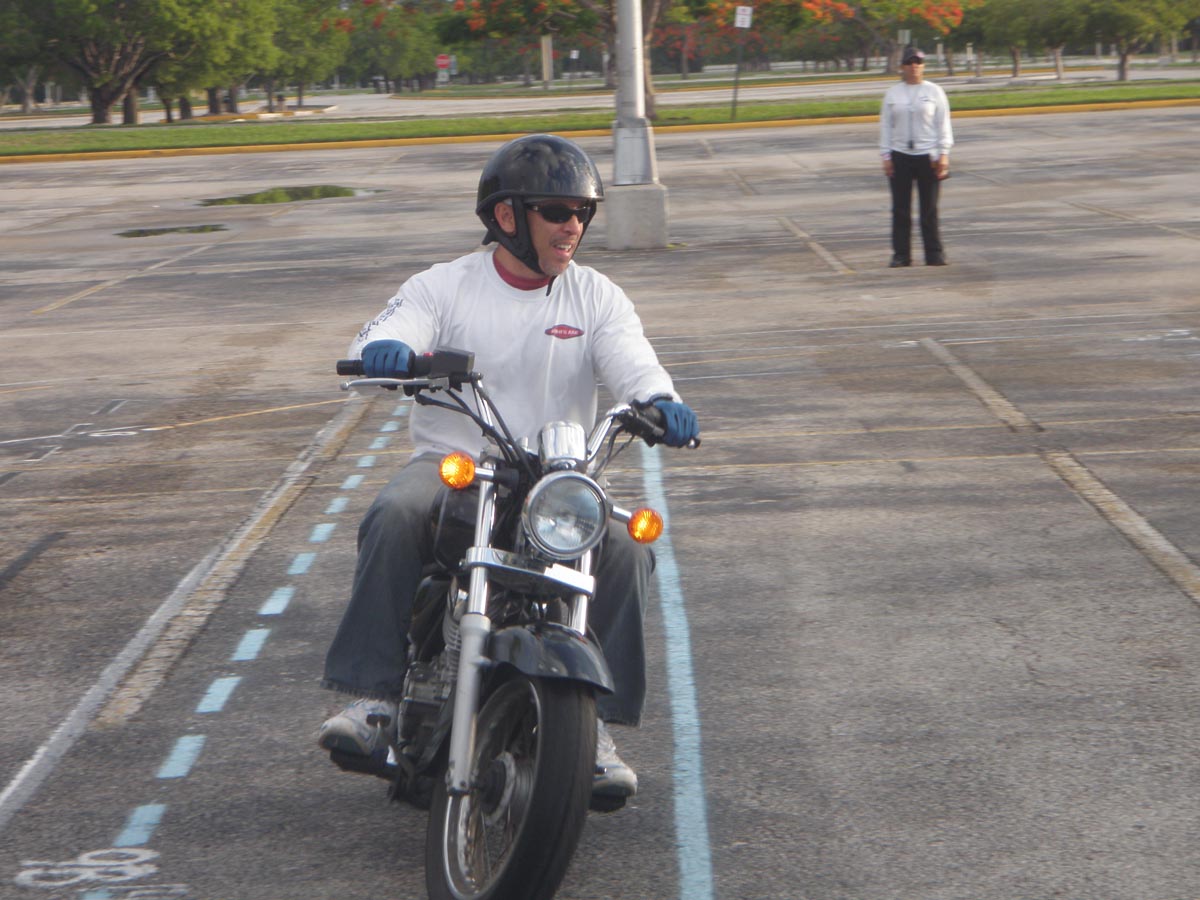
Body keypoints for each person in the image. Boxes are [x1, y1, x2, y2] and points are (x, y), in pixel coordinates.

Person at [317, 133, 700, 801]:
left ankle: (591, 728)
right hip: (458, 466)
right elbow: (391, 328)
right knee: (396, 510)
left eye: (581, 212)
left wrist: (661, 401)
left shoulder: (596, 296)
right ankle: (374, 698)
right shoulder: (444, 286)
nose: (572, 225)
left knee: (626, 547)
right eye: (556, 211)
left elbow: (634, 362)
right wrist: (387, 349)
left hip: (557, 479)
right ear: (506, 216)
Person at [879, 47, 954, 267]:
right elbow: (886, 126)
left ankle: (934, 253)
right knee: (900, 208)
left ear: (923, 66)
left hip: (928, 156)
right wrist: (886, 155)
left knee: (929, 208)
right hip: (900, 155)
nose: (914, 66)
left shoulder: (934, 91)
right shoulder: (893, 94)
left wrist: (944, 153)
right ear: (902, 67)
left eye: (918, 62)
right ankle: (901, 255)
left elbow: (943, 124)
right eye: (910, 62)